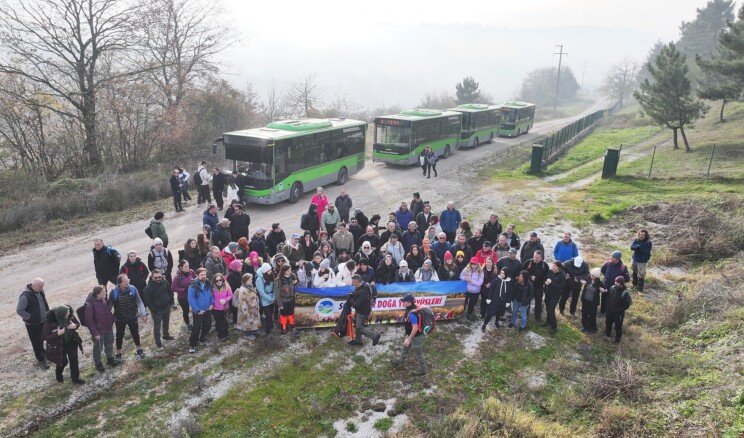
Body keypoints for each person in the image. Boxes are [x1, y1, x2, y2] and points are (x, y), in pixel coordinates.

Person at [108, 274, 148, 361]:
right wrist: (109, 320)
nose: (127, 282)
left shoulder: (133, 289)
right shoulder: (113, 292)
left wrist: (143, 314)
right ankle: (118, 353)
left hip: (132, 316)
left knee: (135, 333)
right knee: (119, 335)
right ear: (119, 283)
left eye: (128, 280)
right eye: (125, 281)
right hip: (119, 319)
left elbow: (139, 302)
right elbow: (109, 307)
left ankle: (139, 349)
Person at [43, 305, 85, 384]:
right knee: (63, 362)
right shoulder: (50, 322)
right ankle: (58, 374)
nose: (69, 314)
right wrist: (57, 334)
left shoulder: (70, 317)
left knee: (74, 360)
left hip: (71, 342)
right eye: (67, 313)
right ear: (61, 314)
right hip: (59, 345)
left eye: (69, 312)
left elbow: (77, 324)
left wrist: (75, 326)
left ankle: (75, 379)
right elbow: (45, 337)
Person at [17, 278, 50, 368]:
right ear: (33, 285)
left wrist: (47, 313)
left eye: (42, 287)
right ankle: (41, 360)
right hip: (32, 324)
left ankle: (43, 352)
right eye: (40, 287)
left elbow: (44, 303)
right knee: (36, 341)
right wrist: (30, 317)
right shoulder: (25, 296)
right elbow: (20, 310)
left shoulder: (40, 291)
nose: (41, 288)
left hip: (42, 321)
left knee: (42, 337)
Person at [390, 294, 427, 376]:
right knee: (406, 346)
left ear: (409, 302)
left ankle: (423, 369)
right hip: (414, 334)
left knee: (418, 353)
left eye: (403, 301)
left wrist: (409, 339)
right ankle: (400, 360)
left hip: (417, 336)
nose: (402, 303)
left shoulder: (412, 313)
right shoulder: (414, 307)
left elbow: (415, 328)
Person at [84, 286, 116, 372]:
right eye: (103, 292)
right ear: (98, 294)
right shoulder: (90, 305)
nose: (105, 293)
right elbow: (89, 321)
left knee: (109, 343)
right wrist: (95, 333)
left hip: (108, 327)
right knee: (98, 348)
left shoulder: (103, 300)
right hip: (99, 331)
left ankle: (110, 358)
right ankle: (98, 363)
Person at [142, 269, 174, 350]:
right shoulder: (148, 288)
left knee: (166, 322)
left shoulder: (165, 282)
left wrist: (170, 301)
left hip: (166, 307)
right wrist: (154, 310)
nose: (158, 279)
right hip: (157, 310)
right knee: (157, 326)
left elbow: (170, 291)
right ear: (152, 277)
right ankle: (158, 342)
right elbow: (148, 301)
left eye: (159, 277)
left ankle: (166, 335)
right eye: (156, 277)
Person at [347, 274, 382, 346]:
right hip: (360, 310)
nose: (352, 284)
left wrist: (350, 300)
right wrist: (352, 294)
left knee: (359, 327)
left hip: (363, 312)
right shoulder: (362, 285)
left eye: (353, 282)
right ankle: (358, 340)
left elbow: (357, 304)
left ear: (357, 282)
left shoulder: (364, 291)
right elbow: (356, 293)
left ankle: (375, 336)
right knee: (357, 324)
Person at [187, 268, 214, 353]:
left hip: (207, 310)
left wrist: (211, 304)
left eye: (205, 274)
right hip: (198, 311)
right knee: (196, 328)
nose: (204, 276)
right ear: (197, 275)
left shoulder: (208, 283)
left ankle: (202, 339)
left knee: (208, 326)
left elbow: (211, 294)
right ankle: (192, 345)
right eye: (202, 275)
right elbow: (191, 299)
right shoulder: (193, 286)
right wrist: (197, 310)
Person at [600, 250, 630, 316]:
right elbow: (602, 270)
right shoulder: (608, 264)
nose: (611, 258)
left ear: (617, 259)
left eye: (612, 257)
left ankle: (609, 313)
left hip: (615, 289)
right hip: (605, 286)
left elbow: (627, 279)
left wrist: (619, 282)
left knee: (611, 301)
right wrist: (607, 277)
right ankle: (602, 312)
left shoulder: (623, 267)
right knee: (603, 299)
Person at [522, 250, 549, 321]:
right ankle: (525, 315)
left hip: (539, 287)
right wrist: (530, 277)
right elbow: (522, 272)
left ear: (541, 258)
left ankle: (537, 317)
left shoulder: (544, 265)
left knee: (538, 302)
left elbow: (547, 275)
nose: (535, 259)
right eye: (534, 257)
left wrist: (545, 281)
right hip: (528, 286)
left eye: (537, 257)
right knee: (527, 301)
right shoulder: (528, 262)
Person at [605, 276, 632, 343]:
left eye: (617, 282)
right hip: (609, 311)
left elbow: (626, 305)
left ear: (621, 284)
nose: (615, 283)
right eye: (615, 281)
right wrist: (608, 307)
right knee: (608, 324)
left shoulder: (625, 293)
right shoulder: (612, 288)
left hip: (618, 314)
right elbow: (608, 298)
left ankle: (617, 340)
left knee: (618, 327)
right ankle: (607, 335)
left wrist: (618, 310)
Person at [234, 273, 261, 340]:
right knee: (247, 321)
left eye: (251, 279)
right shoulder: (242, 290)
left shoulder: (250, 286)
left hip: (253, 308)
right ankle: (248, 334)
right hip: (246, 309)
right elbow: (242, 302)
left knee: (253, 320)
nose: (251, 281)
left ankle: (253, 329)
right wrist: (245, 312)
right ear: (245, 281)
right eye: (249, 280)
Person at [543, 261, 566, 335]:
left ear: (558, 268)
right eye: (552, 265)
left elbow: (561, 287)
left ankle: (554, 327)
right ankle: (548, 321)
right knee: (547, 308)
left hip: (555, 295)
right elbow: (545, 278)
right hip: (548, 293)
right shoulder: (550, 272)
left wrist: (551, 282)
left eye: (555, 266)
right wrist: (545, 282)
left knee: (551, 310)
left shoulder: (562, 275)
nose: (553, 267)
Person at [172, 260, 196, 331]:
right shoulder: (177, 277)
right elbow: (173, 288)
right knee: (186, 311)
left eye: (188, 266)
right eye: (185, 267)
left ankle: (196, 321)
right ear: (181, 267)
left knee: (195, 308)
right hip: (183, 298)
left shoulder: (191, 271)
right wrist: (184, 290)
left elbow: (195, 279)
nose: (188, 268)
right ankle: (188, 324)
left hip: (193, 296)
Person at [275, 264, 299, 335]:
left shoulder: (293, 276)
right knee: (283, 314)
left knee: (291, 313)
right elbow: (277, 293)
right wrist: (280, 304)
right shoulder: (279, 280)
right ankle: (283, 327)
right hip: (283, 300)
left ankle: (291, 325)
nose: (290, 271)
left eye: (290, 270)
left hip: (291, 299)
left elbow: (296, 283)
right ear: (283, 271)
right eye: (288, 271)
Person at [211, 272, 233, 342]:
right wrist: (212, 304)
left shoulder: (226, 286)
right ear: (214, 281)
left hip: (225, 307)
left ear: (223, 280)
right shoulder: (212, 288)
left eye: (220, 280)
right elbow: (210, 297)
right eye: (217, 280)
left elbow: (230, 295)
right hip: (215, 308)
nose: (219, 282)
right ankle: (220, 335)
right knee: (218, 322)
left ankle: (226, 334)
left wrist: (225, 300)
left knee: (225, 321)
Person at [580, 268, 603, 333]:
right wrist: (582, 281)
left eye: (593, 276)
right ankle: (584, 326)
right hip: (585, 300)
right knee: (584, 314)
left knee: (592, 315)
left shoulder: (599, 283)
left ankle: (592, 328)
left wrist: (603, 290)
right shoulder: (588, 278)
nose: (591, 276)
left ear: (597, 277)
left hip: (593, 302)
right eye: (591, 275)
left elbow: (605, 289)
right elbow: (581, 279)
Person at [256, 264, 276, 336]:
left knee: (271, 313)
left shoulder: (271, 276)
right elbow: (261, 292)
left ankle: (271, 326)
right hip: (265, 300)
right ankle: (268, 330)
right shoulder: (259, 280)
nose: (270, 271)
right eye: (268, 271)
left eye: (270, 270)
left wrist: (273, 297)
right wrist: (270, 299)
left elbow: (274, 287)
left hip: (272, 298)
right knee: (268, 315)